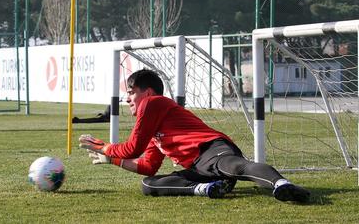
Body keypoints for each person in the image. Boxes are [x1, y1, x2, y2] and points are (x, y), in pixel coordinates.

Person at [79, 69, 310, 202]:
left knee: (235, 166)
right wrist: (112, 160)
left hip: (210, 149)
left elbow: (133, 149)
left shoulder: (152, 103)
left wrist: (104, 148)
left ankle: (281, 184)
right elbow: (148, 166)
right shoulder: (152, 123)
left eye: (131, 93)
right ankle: (207, 188)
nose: (127, 99)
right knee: (148, 185)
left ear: (147, 93)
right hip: (198, 169)